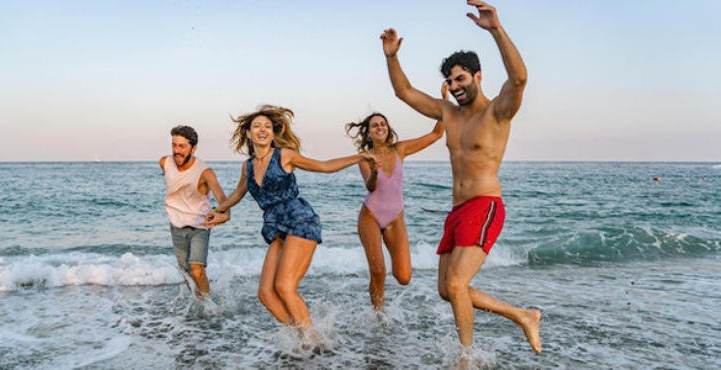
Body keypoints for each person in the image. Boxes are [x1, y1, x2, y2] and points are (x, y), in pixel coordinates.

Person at [380, 0, 542, 353]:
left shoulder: (498, 112)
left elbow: (519, 78)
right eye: (450, 81)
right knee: (447, 290)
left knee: (456, 285)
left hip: (485, 205)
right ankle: (523, 316)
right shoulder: (448, 114)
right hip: (456, 211)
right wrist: (392, 57)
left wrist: (496, 30)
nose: (454, 86)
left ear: (478, 77)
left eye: (461, 79)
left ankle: (466, 359)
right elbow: (403, 92)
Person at [203, 105, 376, 340]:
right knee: (266, 293)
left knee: (285, 287)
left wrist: (360, 157)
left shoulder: (284, 155)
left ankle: (312, 345)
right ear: (248, 134)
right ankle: (302, 337)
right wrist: (217, 209)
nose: (262, 130)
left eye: (267, 126)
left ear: (273, 133)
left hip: (300, 219)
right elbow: (237, 193)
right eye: (257, 126)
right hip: (277, 226)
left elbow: (324, 167)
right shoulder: (248, 166)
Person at [345, 83, 447, 311]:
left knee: (403, 277)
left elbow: (437, 134)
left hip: (395, 217)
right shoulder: (364, 157)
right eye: (374, 126)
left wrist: (443, 101)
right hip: (370, 215)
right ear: (368, 132)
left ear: (387, 128)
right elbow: (370, 188)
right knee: (378, 271)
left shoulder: (400, 149)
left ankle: (377, 300)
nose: (379, 127)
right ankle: (378, 316)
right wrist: (373, 170)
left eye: (382, 124)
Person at [160, 125, 227, 300]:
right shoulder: (165, 163)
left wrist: (222, 215)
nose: (177, 151)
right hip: (176, 226)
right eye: (174, 145)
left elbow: (223, 200)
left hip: (200, 225)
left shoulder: (205, 172)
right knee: (187, 275)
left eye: (182, 146)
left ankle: (208, 307)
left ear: (193, 148)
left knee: (197, 270)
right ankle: (199, 302)